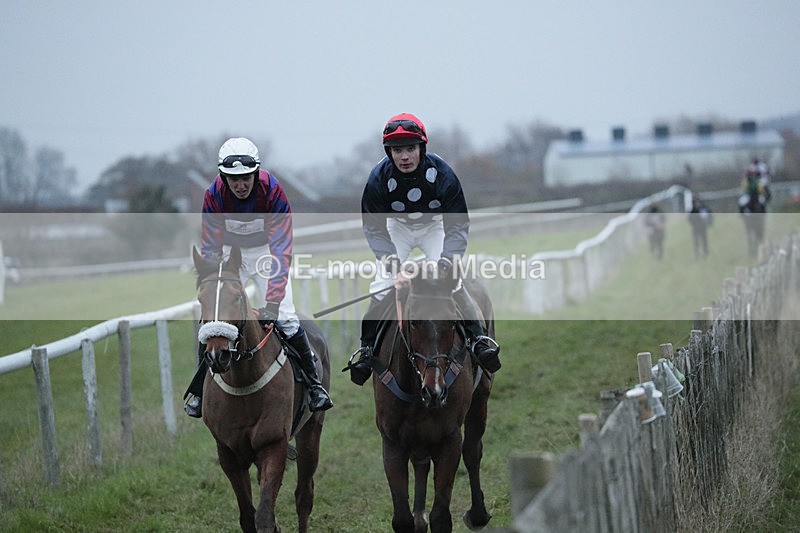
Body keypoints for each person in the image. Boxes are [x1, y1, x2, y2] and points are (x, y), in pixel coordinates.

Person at [346, 113, 501, 385]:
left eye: (410, 149)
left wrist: (443, 265)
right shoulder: (378, 178)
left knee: (453, 282)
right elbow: (374, 228)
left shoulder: (442, 174)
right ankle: (366, 350)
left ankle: (478, 340)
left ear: (421, 148)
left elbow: (457, 226)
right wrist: (394, 268)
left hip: (434, 227)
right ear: (389, 152)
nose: (404, 156)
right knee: (380, 285)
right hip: (398, 229)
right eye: (397, 150)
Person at [183, 137, 332, 417]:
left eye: (245, 179)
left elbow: (281, 250)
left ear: (256, 174)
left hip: (266, 251)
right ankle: (199, 391)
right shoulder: (213, 194)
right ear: (223, 177)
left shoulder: (273, 191)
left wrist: (273, 303)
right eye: (233, 179)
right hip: (229, 254)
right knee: (213, 321)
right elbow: (211, 246)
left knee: (286, 317)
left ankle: (314, 386)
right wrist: (214, 278)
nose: (240, 185)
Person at [738, 163, 771, 256]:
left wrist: (760, 191)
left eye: (753, 173)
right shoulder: (746, 180)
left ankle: (763, 213)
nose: (752, 174)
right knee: (742, 202)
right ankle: (742, 214)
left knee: (762, 201)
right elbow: (744, 188)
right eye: (751, 173)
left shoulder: (759, 181)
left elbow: (762, 190)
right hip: (748, 196)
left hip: (757, 196)